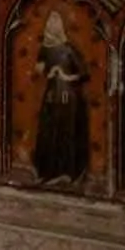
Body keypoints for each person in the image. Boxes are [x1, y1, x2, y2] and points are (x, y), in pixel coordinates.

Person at [33, 11, 90, 185]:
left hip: (69, 97)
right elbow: (39, 68)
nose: (52, 25)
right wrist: (48, 72)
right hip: (52, 95)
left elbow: (83, 73)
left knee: (67, 132)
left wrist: (65, 76)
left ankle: (68, 172)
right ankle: (47, 171)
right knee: (49, 132)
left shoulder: (69, 49)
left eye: (55, 22)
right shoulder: (45, 48)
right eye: (50, 22)